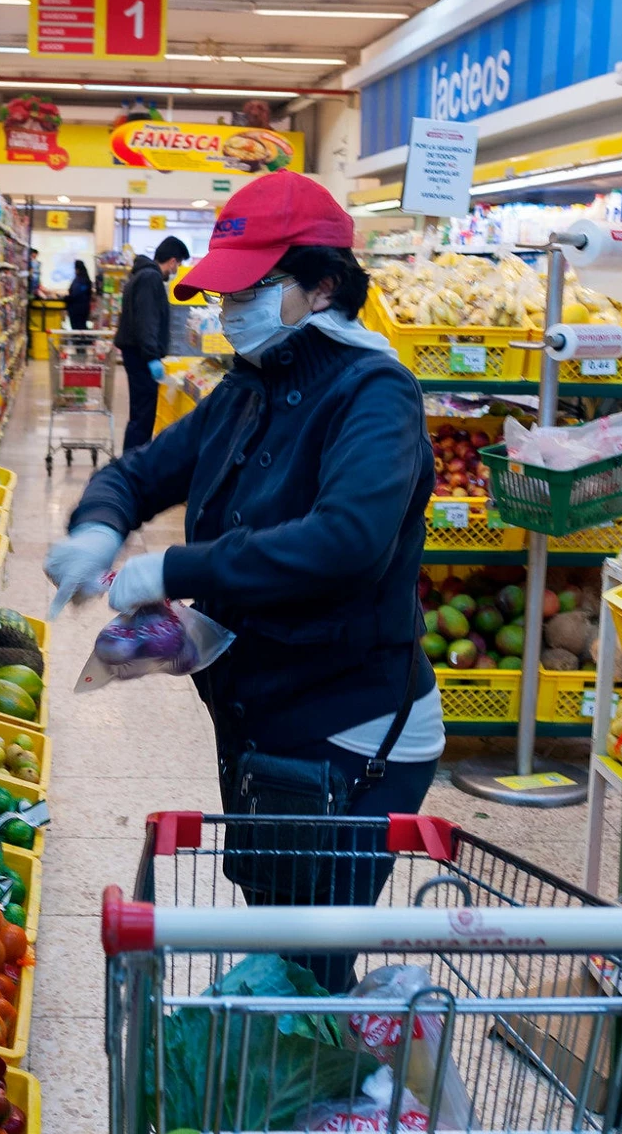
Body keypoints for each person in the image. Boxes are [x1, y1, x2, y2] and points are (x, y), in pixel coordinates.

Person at [45, 172, 440, 991]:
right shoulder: (249, 387)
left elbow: (346, 542)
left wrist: (175, 567)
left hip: (350, 729)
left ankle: (311, 1102)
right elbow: (150, 469)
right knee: (275, 932)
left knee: (305, 968)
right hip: (267, 714)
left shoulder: (376, 395)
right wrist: (100, 520)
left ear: (322, 286)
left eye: (253, 288)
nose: (229, 310)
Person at [113, 236, 182, 452]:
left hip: (136, 353)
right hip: (141, 356)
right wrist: (152, 356)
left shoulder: (141, 275)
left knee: (140, 413)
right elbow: (147, 319)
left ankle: (131, 463)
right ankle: (132, 467)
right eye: (178, 264)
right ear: (172, 261)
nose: (177, 269)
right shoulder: (150, 278)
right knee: (143, 415)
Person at [65, 259, 93, 330]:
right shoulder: (85, 279)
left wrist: (66, 298)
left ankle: (80, 341)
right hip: (84, 308)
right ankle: (83, 341)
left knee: (77, 328)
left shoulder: (80, 280)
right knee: (82, 328)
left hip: (76, 309)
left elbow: (76, 294)